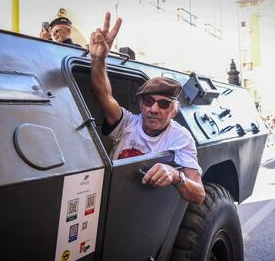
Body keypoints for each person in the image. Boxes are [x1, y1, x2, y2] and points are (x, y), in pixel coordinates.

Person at [88, 12, 205, 204]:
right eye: (148, 101)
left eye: (163, 104)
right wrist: (99, 61)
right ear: (141, 105)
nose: (154, 109)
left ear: (174, 111)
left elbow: (199, 194)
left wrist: (176, 176)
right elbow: (104, 95)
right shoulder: (126, 123)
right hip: (110, 195)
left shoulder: (180, 138)